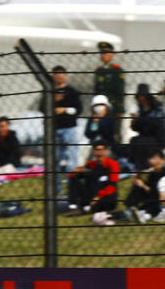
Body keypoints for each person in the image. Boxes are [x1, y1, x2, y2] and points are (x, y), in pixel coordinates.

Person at [51, 65, 82, 198]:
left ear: (66, 75)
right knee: (54, 161)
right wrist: (53, 102)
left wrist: (64, 109)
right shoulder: (49, 92)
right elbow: (42, 109)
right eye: (56, 73)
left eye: (61, 73)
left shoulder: (71, 91)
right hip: (53, 129)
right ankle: (57, 190)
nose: (59, 76)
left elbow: (78, 109)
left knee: (72, 160)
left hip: (69, 128)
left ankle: (72, 189)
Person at [66, 141, 120, 214]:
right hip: (91, 196)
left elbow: (112, 187)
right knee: (74, 178)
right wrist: (74, 172)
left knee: (108, 197)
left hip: (104, 196)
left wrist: (98, 197)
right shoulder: (90, 164)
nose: (99, 153)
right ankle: (73, 207)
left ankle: (86, 209)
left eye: (101, 150)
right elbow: (72, 177)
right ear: (93, 152)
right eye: (96, 150)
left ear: (106, 152)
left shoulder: (113, 165)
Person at [129, 83, 165, 170]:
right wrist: (134, 122)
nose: (141, 98)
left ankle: (142, 167)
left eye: (142, 96)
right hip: (145, 136)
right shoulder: (140, 109)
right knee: (134, 140)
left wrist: (140, 119)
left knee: (140, 142)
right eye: (139, 96)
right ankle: (134, 166)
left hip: (157, 137)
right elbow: (137, 129)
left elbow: (157, 123)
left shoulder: (157, 107)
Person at [125, 150, 165, 223]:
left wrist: (144, 186)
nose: (152, 161)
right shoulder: (153, 173)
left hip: (159, 200)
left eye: (155, 158)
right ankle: (131, 208)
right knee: (138, 185)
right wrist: (138, 180)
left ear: (163, 160)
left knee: (142, 185)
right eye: (151, 159)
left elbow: (157, 192)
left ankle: (140, 213)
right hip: (150, 197)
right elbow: (149, 188)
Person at [93, 41, 125, 122]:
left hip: (113, 106)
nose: (103, 55)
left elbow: (120, 90)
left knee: (114, 132)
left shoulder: (117, 70)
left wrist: (119, 109)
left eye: (106, 53)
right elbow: (96, 90)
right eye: (102, 53)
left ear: (112, 54)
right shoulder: (99, 70)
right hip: (101, 106)